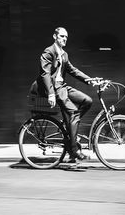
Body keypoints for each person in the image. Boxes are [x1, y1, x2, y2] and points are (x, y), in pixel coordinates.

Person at [31, 27, 94, 161]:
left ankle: (70, 126)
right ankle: (74, 150)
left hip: (62, 87)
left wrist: (90, 80)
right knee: (74, 112)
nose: (64, 39)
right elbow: (45, 73)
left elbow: (73, 70)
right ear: (55, 36)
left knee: (87, 101)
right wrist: (51, 94)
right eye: (61, 36)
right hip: (53, 88)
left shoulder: (64, 54)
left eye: (66, 37)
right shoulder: (49, 51)